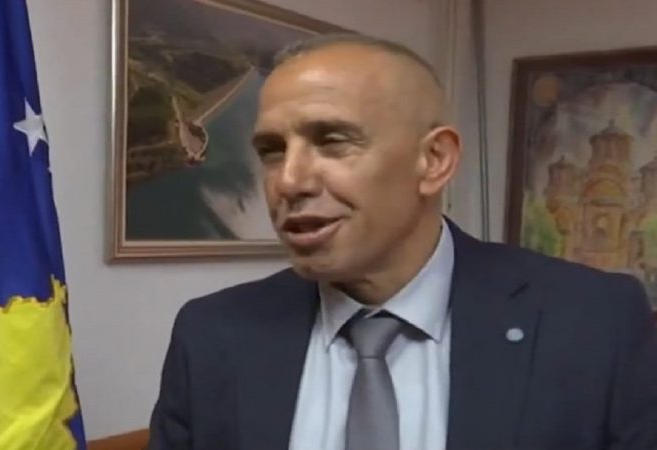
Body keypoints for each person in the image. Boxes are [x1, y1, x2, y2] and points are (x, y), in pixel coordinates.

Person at [147, 33, 657, 450]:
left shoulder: (595, 324)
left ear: (434, 161)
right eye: (272, 150)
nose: (289, 181)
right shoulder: (212, 334)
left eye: (332, 141)